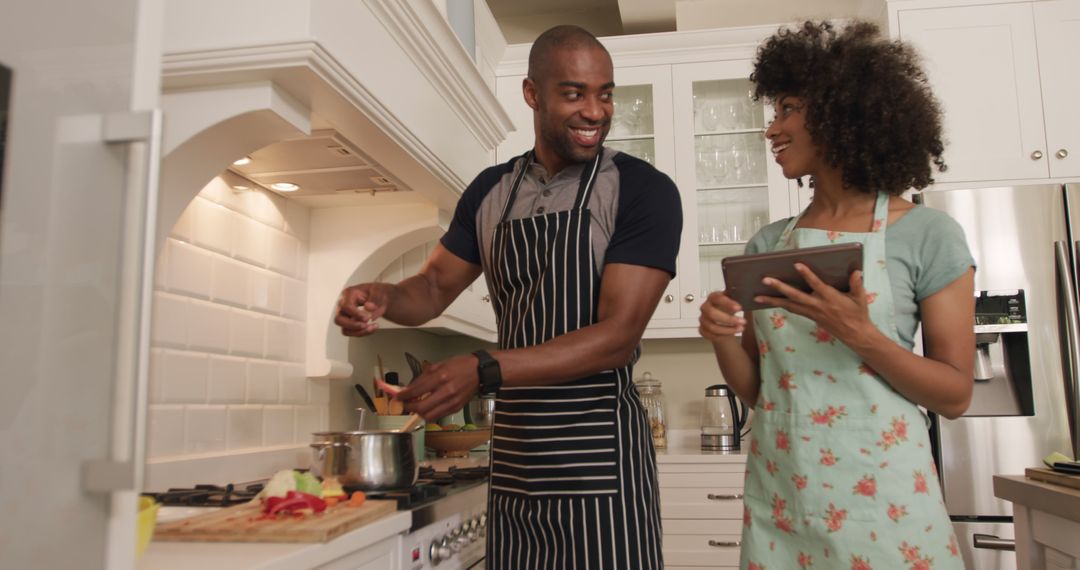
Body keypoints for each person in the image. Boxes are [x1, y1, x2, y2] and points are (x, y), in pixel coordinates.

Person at [335, 24, 681, 569]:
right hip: (516, 463)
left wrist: (483, 368)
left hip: (600, 463)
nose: (596, 111)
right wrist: (378, 295)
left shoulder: (642, 190)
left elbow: (616, 338)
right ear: (532, 94)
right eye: (574, 93)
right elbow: (429, 289)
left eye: (605, 93)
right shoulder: (491, 191)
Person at [698, 21, 975, 569]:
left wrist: (860, 334)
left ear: (841, 111)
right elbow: (763, 394)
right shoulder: (767, 244)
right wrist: (722, 335)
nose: (771, 128)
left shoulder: (926, 234)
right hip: (784, 502)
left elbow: (954, 395)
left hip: (888, 507)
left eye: (787, 109)